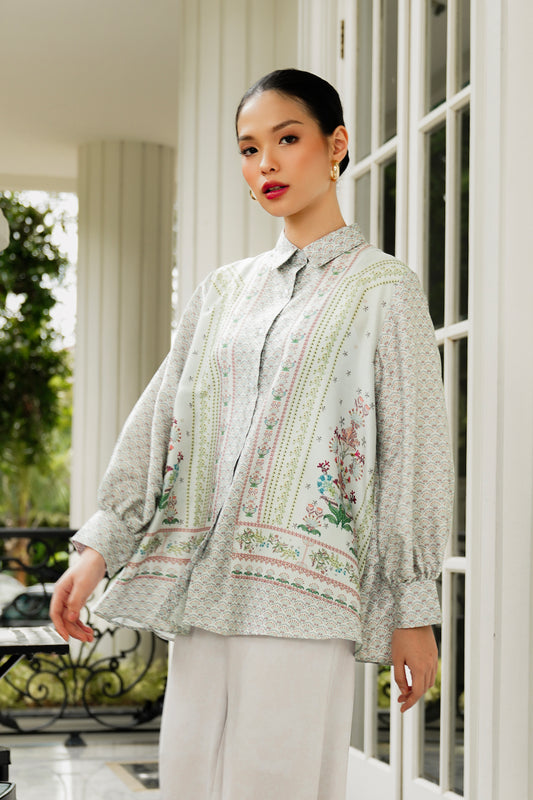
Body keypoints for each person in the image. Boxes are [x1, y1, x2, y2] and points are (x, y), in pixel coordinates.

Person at [51, 69, 454, 800]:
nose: (265, 163)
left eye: (286, 139)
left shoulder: (383, 289)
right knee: (189, 779)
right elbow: (161, 415)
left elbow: (413, 451)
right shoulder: (222, 292)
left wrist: (412, 607)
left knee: (277, 784)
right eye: (247, 148)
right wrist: (100, 545)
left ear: (336, 145)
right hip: (203, 586)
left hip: (303, 596)